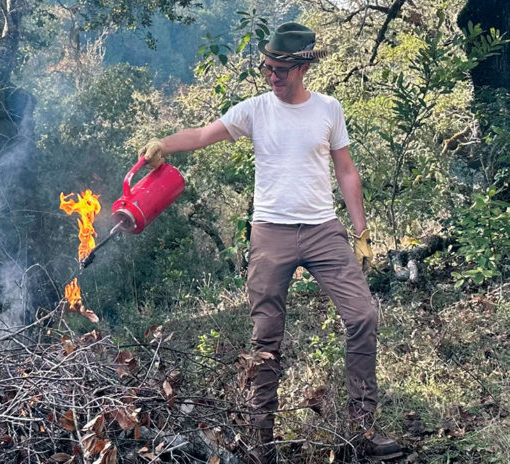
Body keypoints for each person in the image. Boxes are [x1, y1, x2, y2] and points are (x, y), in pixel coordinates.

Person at [138, 22, 403, 462]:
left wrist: (361, 233)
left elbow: (347, 171)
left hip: (323, 231)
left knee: (362, 316)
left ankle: (363, 430)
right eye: (267, 67)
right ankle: (261, 445)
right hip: (270, 233)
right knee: (266, 339)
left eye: (281, 69)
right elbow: (203, 136)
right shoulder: (256, 110)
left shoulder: (328, 110)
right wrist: (162, 143)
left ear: (302, 67)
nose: (272, 76)